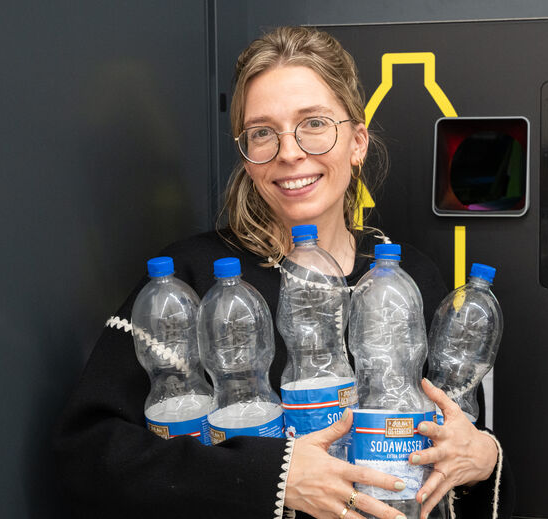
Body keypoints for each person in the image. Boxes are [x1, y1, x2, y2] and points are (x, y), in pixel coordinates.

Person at [54, 26, 513, 519]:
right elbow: (86, 455)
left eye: (313, 123)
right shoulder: (188, 281)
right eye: (263, 132)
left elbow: (451, 437)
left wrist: (483, 456)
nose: (289, 152)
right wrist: (274, 478)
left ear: (357, 141)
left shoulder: (409, 278)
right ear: (247, 157)